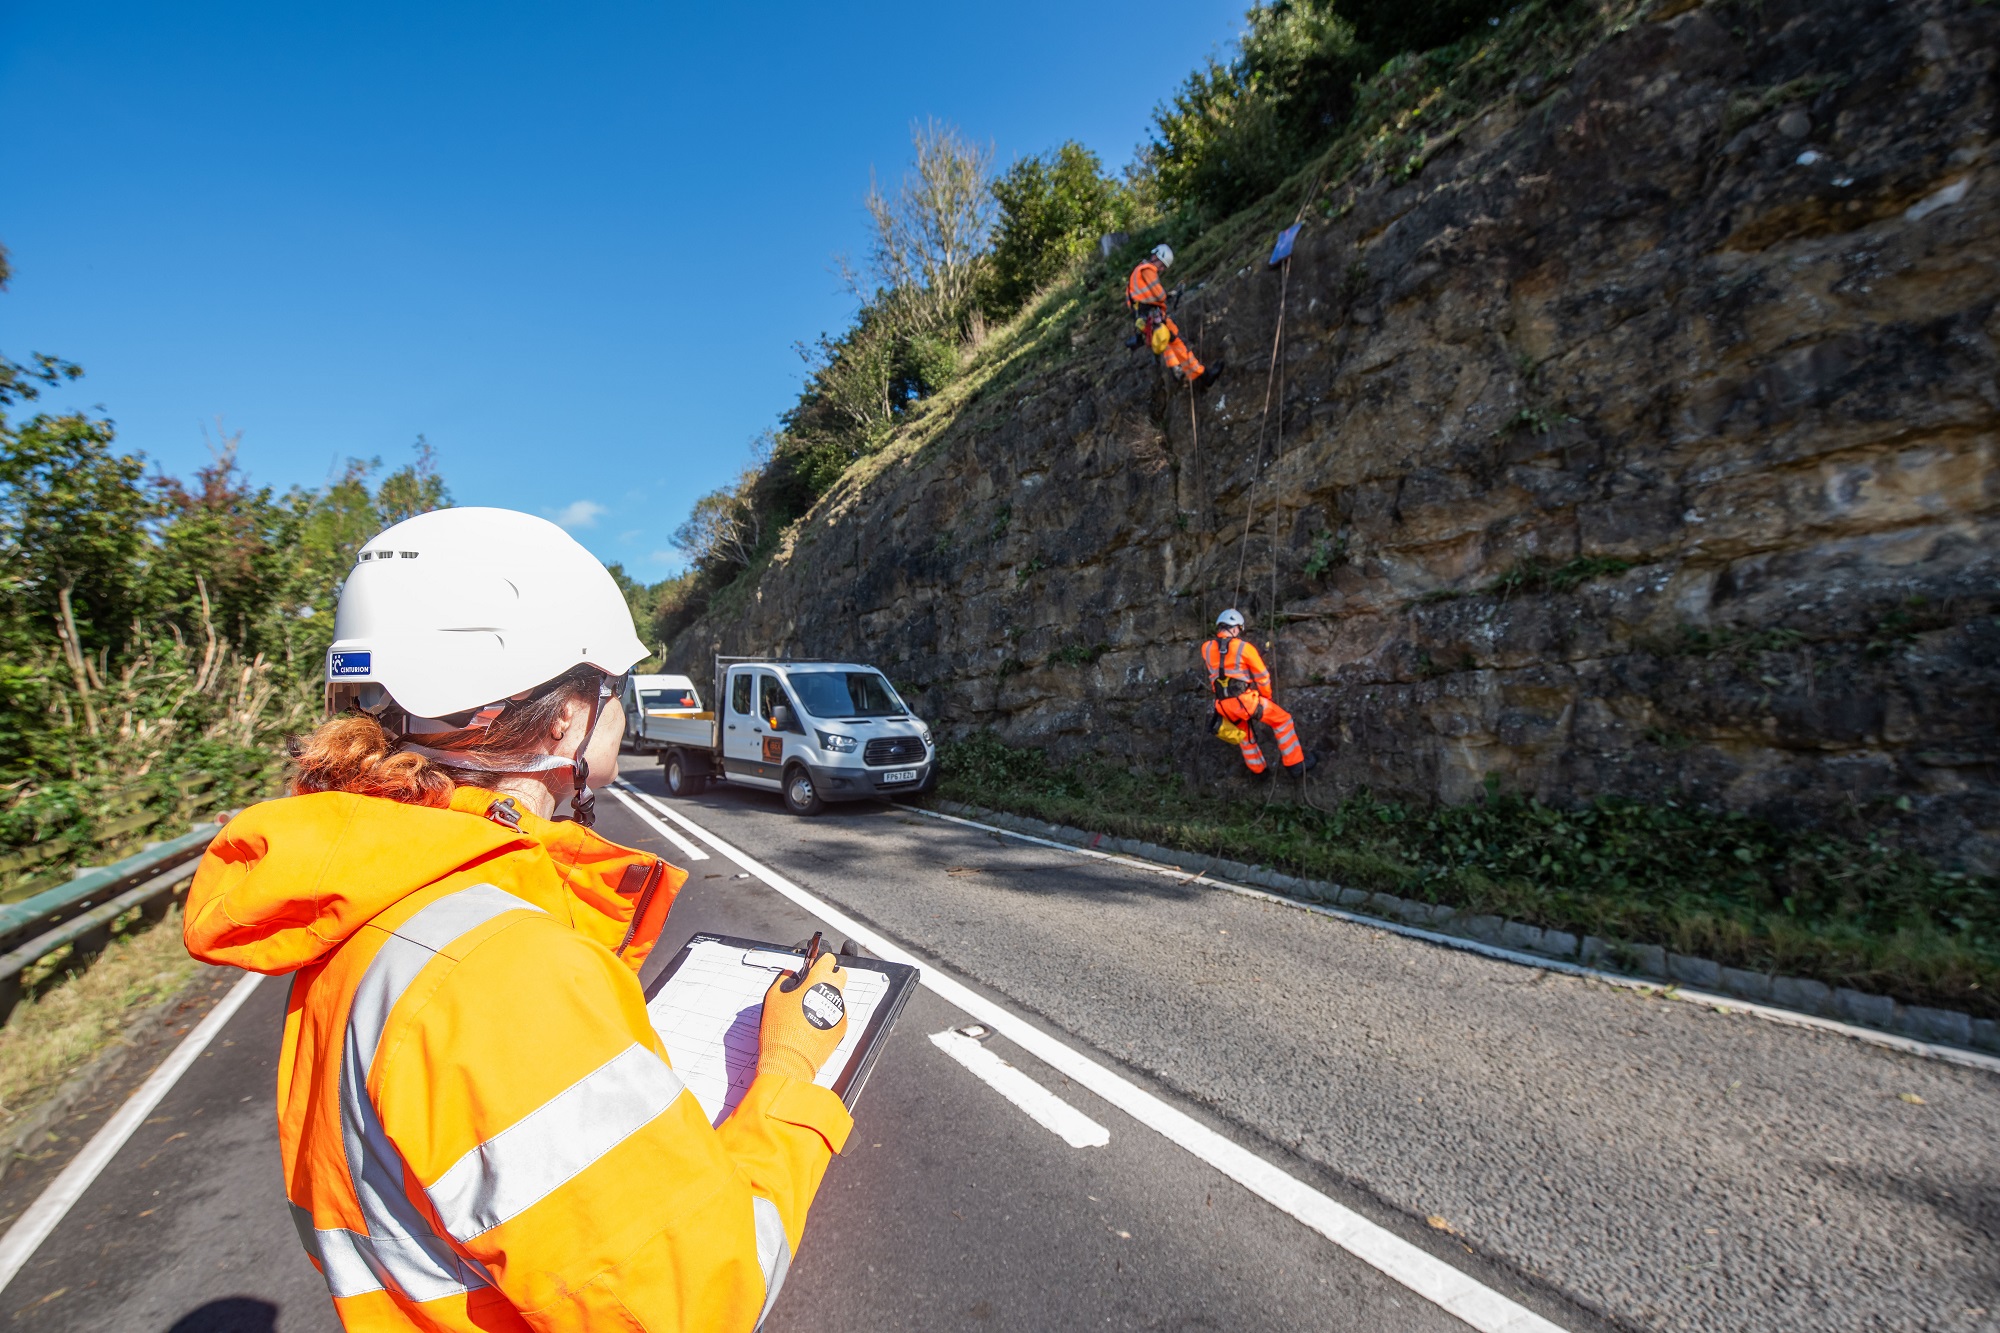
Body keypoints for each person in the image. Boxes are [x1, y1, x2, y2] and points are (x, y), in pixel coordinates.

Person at [183, 506, 852, 1332]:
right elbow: (698, 1302)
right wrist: (789, 1072)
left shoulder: (371, 903)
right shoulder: (500, 970)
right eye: (611, 688)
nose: (619, 709)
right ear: (568, 713)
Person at [1201, 608, 1309, 775]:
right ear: (1236, 628)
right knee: (1283, 720)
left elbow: (1223, 666)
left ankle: (1259, 770)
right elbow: (1262, 676)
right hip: (1245, 702)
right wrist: (1266, 697)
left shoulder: (1206, 648)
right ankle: (1295, 764)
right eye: (1239, 629)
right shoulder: (1245, 647)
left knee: (1244, 735)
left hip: (1223, 705)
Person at [1125, 243, 1206, 385]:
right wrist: (1165, 296)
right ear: (1156, 257)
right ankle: (1200, 375)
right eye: (1162, 265)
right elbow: (1159, 295)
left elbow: (1135, 299)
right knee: (1178, 341)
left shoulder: (1137, 272)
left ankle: (1176, 369)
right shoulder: (1148, 270)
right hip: (1151, 314)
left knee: (1168, 340)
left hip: (1144, 315)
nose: (1161, 269)